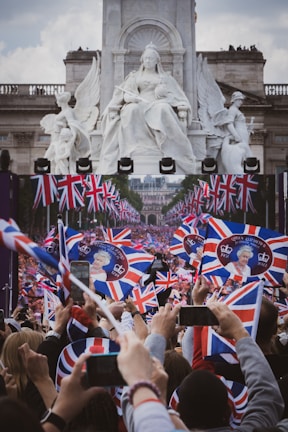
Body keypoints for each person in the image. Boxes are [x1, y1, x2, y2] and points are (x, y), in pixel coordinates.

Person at [100, 42, 196, 174]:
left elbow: (176, 95)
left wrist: (164, 94)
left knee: (163, 109)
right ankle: (133, 147)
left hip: (158, 103)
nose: (148, 61)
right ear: (142, 60)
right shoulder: (135, 76)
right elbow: (126, 93)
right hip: (138, 103)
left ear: (157, 60)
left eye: (151, 58)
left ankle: (166, 146)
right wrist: (129, 99)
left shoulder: (164, 78)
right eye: (146, 58)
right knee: (130, 110)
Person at [41, 91, 91, 174]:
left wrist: (72, 138)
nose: (57, 102)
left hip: (60, 137)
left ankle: (54, 172)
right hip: (56, 136)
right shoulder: (64, 111)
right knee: (51, 156)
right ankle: (52, 171)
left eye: (57, 101)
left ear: (61, 102)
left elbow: (73, 124)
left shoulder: (68, 111)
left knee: (51, 155)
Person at [217, 91, 254, 173]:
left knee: (244, 157)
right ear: (235, 100)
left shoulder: (236, 110)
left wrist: (248, 128)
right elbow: (229, 124)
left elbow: (240, 124)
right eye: (240, 100)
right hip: (239, 135)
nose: (241, 102)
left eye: (242, 100)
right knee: (246, 156)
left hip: (242, 134)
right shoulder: (232, 110)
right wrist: (236, 135)